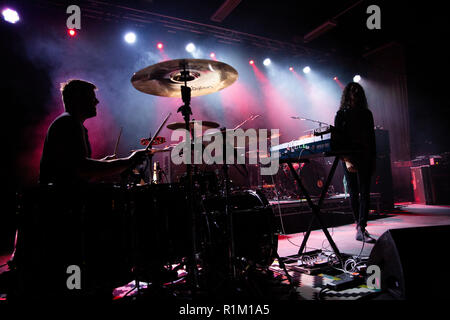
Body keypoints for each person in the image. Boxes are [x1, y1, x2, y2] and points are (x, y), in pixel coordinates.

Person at [39, 79, 148, 186]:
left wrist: (103, 162)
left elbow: (72, 168)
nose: (97, 101)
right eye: (92, 97)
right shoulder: (68, 123)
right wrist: (129, 161)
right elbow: (83, 168)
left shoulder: (70, 122)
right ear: (79, 100)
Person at [333, 82, 376, 243]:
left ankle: (361, 226)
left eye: (357, 91)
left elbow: (372, 138)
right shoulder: (341, 114)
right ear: (347, 94)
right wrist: (345, 158)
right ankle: (358, 224)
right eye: (352, 91)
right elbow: (337, 140)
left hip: (365, 155)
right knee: (354, 192)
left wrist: (373, 158)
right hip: (349, 156)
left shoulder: (367, 114)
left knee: (365, 192)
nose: (355, 93)